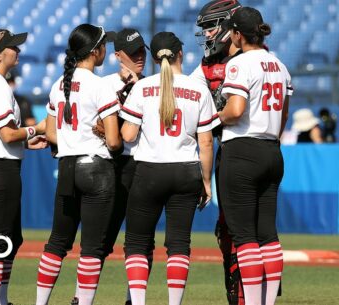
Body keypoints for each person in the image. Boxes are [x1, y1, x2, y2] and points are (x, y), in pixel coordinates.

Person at [119, 31, 220, 305]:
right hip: (186, 171)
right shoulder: (198, 88)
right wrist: (206, 182)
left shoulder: (142, 87)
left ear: (153, 58)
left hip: (148, 171)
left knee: (138, 243)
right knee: (178, 245)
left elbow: (127, 136)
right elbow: (206, 141)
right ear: (180, 54)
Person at [34, 24, 122, 305]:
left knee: (57, 243)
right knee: (92, 249)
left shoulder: (57, 84)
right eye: (104, 45)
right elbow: (115, 141)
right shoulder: (101, 85)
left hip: (68, 168)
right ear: (96, 51)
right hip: (97, 170)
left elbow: (50, 134)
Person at [218, 7, 293, 305]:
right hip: (272, 150)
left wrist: (216, 115)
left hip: (242, 151)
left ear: (237, 34)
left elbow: (235, 111)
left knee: (245, 236)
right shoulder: (279, 64)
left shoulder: (239, 64)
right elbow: (283, 116)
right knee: (268, 235)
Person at [0, 28, 47, 305]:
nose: (18, 50)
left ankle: (0, 298)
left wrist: (24, 142)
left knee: (11, 237)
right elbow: (8, 134)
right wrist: (35, 130)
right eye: (13, 46)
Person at [192, 1, 245, 304]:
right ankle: (236, 290)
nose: (207, 34)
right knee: (227, 228)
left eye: (210, 26)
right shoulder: (206, 65)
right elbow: (189, 96)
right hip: (228, 149)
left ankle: (252, 290)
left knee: (249, 229)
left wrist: (214, 113)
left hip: (246, 147)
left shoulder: (254, 59)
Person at [96, 28, 153, 305]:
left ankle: (134, 299)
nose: (139, 57)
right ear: (118, 55)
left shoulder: (154, 84)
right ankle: (82, 297)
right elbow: (97, 126)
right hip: (114, 165)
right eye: (133, 53)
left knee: (142, 239)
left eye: (142, 50)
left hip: (144, 164)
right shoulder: (104, 85)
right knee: (102, 237)